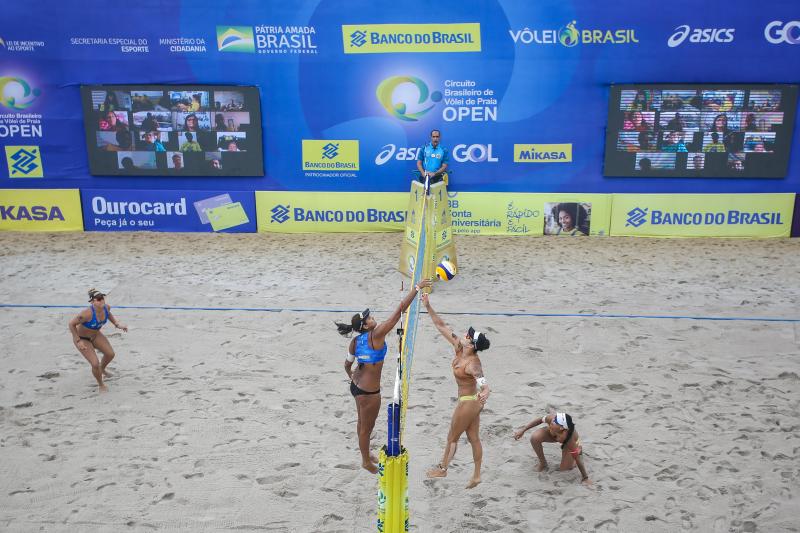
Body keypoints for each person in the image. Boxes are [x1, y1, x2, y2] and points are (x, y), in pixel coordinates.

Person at [336, 279, 432, 474]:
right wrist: (417, 288)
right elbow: (400, 310)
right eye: (369, 318)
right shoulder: (377, 334)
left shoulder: (356, 341)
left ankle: (366, 454)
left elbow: (347, 364)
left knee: (361, 423)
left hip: (356, 388)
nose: (373, 319)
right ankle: (365, 461)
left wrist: (351, 377)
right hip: (369, 393)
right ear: (365, 325)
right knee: (366, 428)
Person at [422, 292, 490, 488]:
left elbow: (484, 383)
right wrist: (428, 305)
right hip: (471, 401)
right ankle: (476, 476)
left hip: (469, 401)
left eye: (469, 335)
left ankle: (442, 469)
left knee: (452, 436)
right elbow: (441, 326)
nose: (465, 334)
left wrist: (486, 390)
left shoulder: (472, 364)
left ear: (472, 343)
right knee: (473, 437)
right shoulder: (459, 347)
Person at [68, 289, 127, 392]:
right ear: (92, 302)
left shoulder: (106, 308)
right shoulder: (86, 314)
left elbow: (109, 314)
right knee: (95, 363)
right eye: (98, 299)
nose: (102, 301)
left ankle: (102, 369)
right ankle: (101, 385)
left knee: (110, 354)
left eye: (102, 298)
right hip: (83, 339)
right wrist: (78, 341)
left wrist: (117, 325)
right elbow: (71, 324)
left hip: (95, 335)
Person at [513, 412, 590, 485]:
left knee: (564, 470)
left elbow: (578, 459)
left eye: (557, 435)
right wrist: (523, 430)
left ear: (564, 431)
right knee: (534, 438)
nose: (550, 428)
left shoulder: (570, 441)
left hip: (570, 443)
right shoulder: (552, 420)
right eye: (550, 428)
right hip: (558, 434)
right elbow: (539, 420)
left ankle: (578, 448)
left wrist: (585, 478)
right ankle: (543, 463)